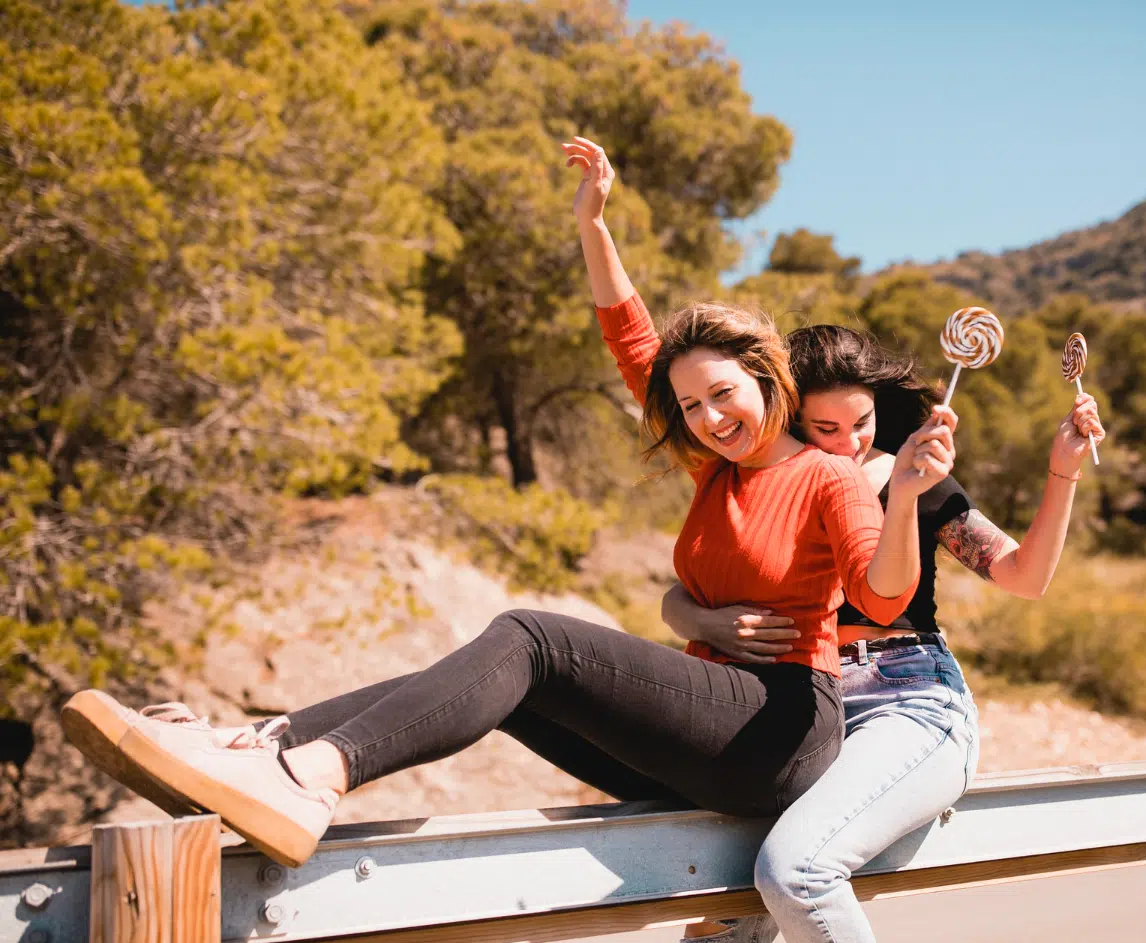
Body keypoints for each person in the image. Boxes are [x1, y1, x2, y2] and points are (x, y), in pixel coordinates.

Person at [59, 137, 957, 870]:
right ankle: (258, 748)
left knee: (532, 636)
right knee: (515, 685)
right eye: (688, 406)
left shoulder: (831, 475)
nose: (707, 417)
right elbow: (632, 338)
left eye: (722, 394)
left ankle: (313, 774)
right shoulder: (718, 473)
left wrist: (908, 497)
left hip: (779, 729)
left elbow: (876, 603)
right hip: (718, 723)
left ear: (764, 377)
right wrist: (592, 224)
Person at [667, 323, 1105, 943]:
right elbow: (687, 591)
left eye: (861, 423)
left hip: (908, 698)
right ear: (784, 414)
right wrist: (698, 619)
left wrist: (1063, 469)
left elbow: (1023, 575)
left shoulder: (911, 477)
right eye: (825, 429)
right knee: (718, 897)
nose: (849, 445)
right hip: (803, 708)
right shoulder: (751, 481)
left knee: (794, 869)